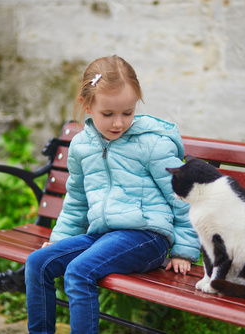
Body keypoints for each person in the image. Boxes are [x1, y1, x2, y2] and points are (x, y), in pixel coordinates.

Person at [25, 55, 200, 334]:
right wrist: (59, 240)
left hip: (147, 237)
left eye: (127, 113)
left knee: (79, 272)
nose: (118, 123)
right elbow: (76, 201)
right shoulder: (82, 146)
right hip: (103, 236)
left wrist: (184, 251)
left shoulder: (152, 144)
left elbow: (184, 196)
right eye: (108, 114)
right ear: (87, 105)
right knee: (38, 263)